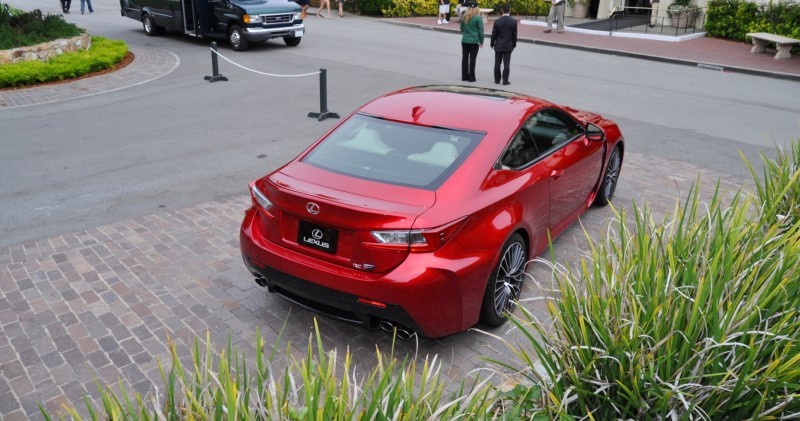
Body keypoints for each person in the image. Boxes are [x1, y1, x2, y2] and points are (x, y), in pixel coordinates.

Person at [491, 3, 516, 85]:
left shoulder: (497, 21)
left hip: (499, 45)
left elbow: (494, 34)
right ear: (510, 10)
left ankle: (497, 79)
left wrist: (492, 43)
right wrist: (514, 44)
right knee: (506, 63)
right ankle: (505, 80)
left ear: (502, 10)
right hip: (508, 45)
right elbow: (514, 35)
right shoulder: (513, 21)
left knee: (497, 63)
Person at [460, 1, 483, 82]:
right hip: (474, 41)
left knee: (465, 58)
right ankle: (471, 77)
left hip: (465, 40)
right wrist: (481, 41)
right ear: (477, 7)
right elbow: (481, 31)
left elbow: (461, 29)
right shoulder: (478, 17)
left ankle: (464, 76)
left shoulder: (464, 15)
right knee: (473, 59)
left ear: (468, 7)